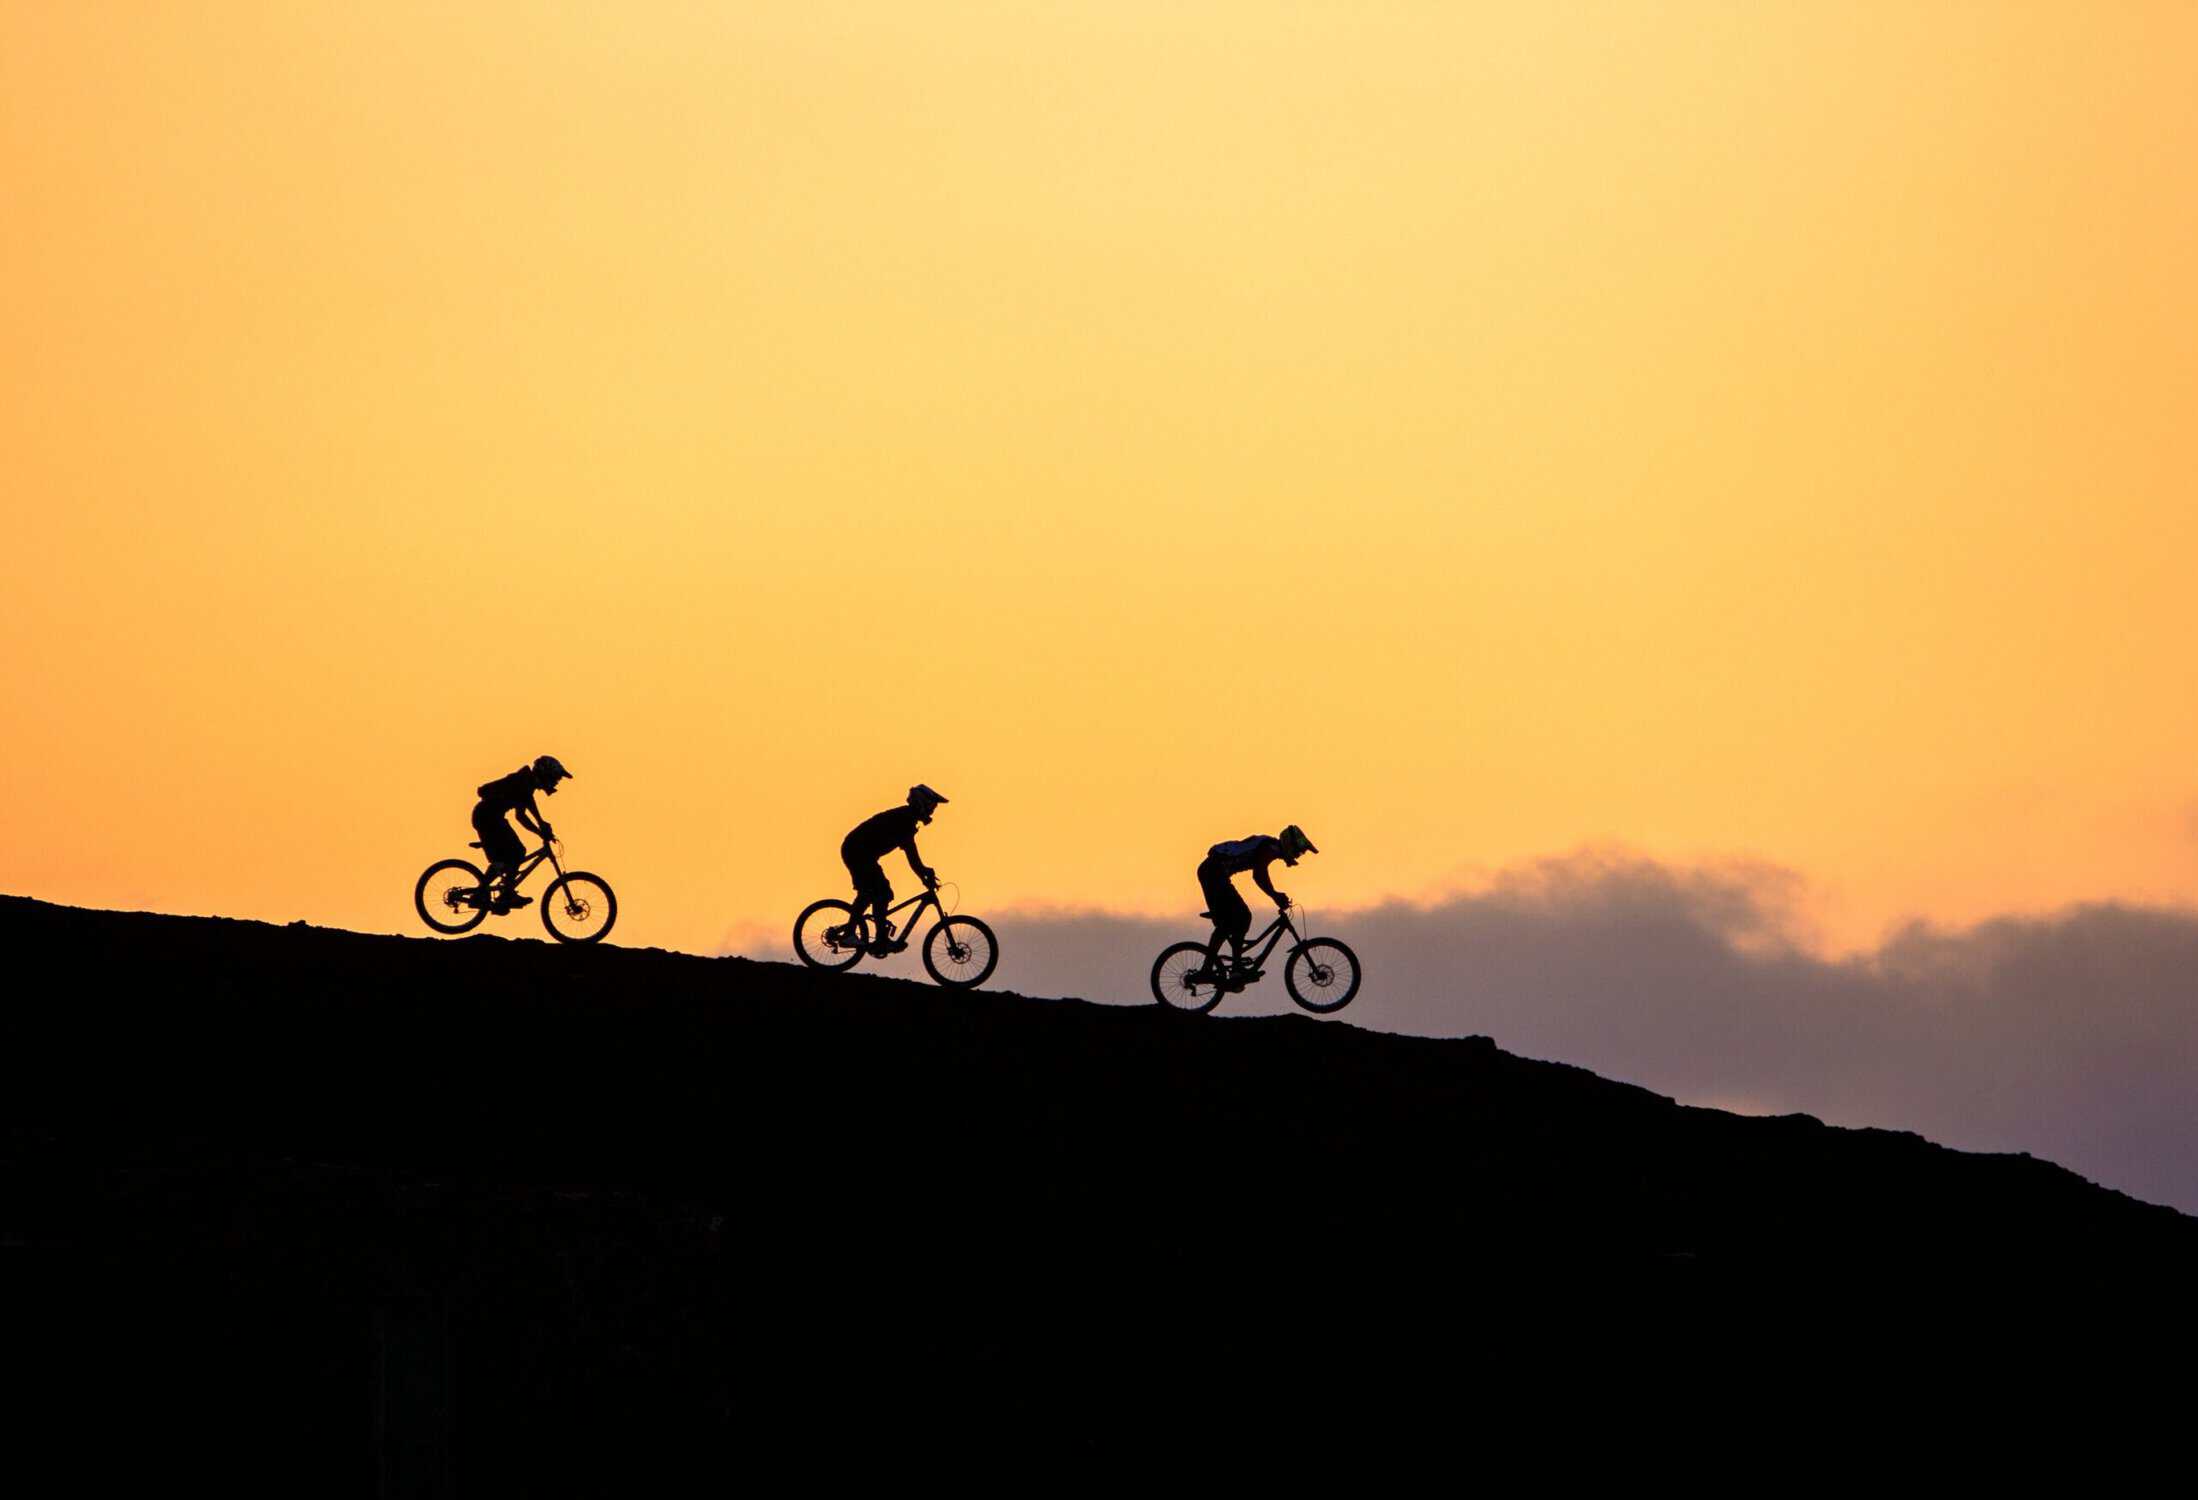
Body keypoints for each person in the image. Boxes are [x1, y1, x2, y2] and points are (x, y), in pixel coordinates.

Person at [1193, 825, 1318, 989]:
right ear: (1290, 845)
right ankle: (1229, 969)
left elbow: (1260, 872)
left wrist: (1274, 894)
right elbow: (1259, 874)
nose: (1298, 855)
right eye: (1298, 851)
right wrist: (1275, 895)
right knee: (1241, 917)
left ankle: (1225, 968)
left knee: (1234, 921)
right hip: (1213, 873)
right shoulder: (1269, 848)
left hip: (1215, 873)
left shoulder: (1270, 847)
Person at [842, 785, 947, 955]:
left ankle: (876, 938)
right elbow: (912, 855)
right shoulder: (905, 820)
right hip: (857, 851)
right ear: (922, 803)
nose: (933, 810)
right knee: (879, 892)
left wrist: (923, 874)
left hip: (860, 852)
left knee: (877, 892)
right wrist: (924, 873)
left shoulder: (907, 818)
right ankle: (856, 935)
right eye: (932, 806)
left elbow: (912, 856)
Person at [472, 755, 573, 911]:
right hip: (488, 817)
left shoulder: (526, 784)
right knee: (516, 852)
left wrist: (540, 829)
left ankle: (494, 893)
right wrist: (541, 828)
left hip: (489, 817)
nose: (556, 782)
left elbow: (522, 816)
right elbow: (527, 813)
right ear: (546, 774)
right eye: (555, 778)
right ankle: (500, 894)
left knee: (508, 857)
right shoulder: (523, 783)